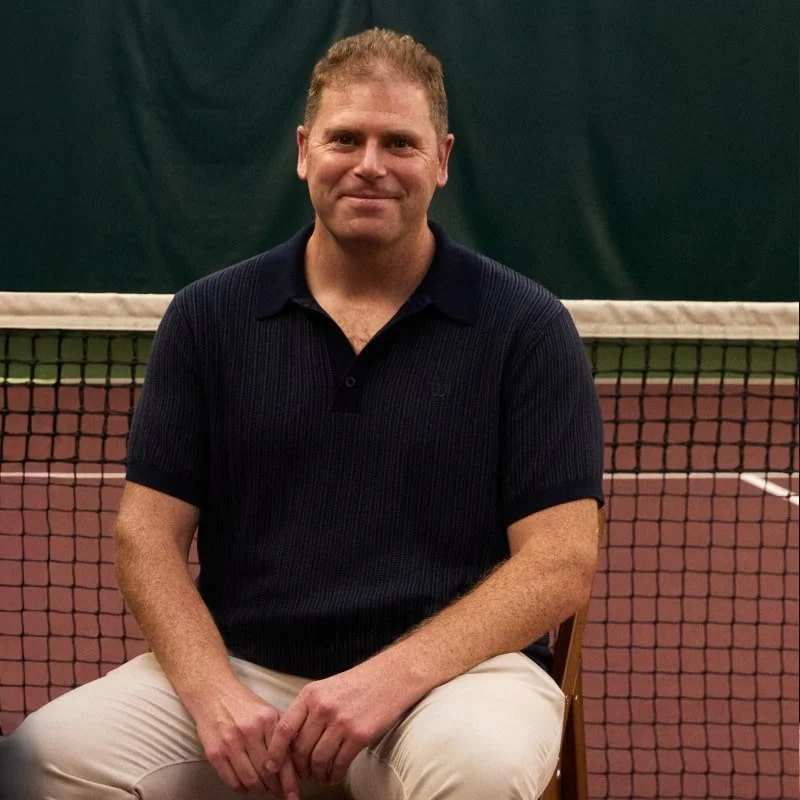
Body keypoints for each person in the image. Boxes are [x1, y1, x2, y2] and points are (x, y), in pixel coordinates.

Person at [0, 28, 604, 800]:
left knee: (476, 771)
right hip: (247, 672)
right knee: (39, 762)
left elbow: (560, 562)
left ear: (443, 159)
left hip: (452, 681)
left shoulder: (527, 327)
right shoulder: (206, 318)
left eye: (400, 143)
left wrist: (389, 679)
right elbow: (145, 535)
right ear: (302, 149)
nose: (370, 165)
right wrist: (212, 692)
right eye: (345, 138)